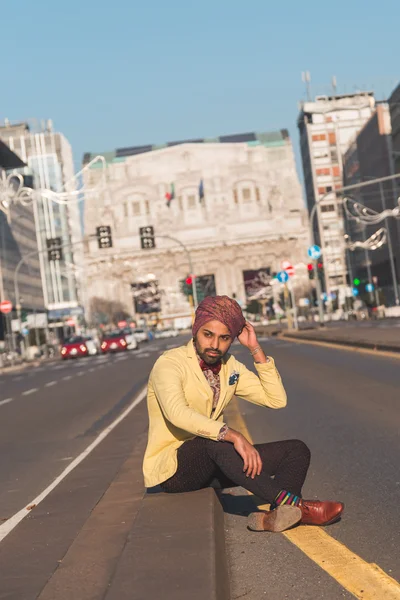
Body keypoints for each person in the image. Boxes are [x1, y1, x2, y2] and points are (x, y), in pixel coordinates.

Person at [143, 295, 344, 532]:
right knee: (216, 442)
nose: (215, 345)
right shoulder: (169, 364)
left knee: (296, 450)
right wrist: (234, 435)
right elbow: (177, 413)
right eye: (208, 334)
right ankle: (298, 506)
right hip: (175, 469)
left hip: (217, 463)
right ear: (195, 330)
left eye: (224, 338)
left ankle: (273, 517)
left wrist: (255, 350)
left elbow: (276, 399)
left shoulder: (230, 367)